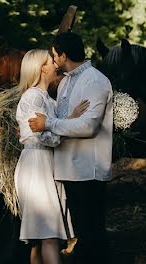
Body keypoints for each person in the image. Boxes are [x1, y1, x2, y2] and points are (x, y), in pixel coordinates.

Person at [29, 32, 113, 264]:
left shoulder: (95, 81)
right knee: (83, 235)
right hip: (68, 168)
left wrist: (49, 124)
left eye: (54, 56)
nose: (53, 61)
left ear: (63, 55)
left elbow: (88, 126)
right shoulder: (65, 81)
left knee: (94, 232)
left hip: (88, 168)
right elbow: (67, 119)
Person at [15, 49, 89, 264]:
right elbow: (44, 137)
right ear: (41, 68)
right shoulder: (31, 97)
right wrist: (64, 130)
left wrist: (71, 118)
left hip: (47, 163)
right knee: (48, 235)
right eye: (50, 61)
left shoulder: (47, 98)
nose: (56, 64)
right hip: (36, 165)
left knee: (42, 236)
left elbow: (52, 128)